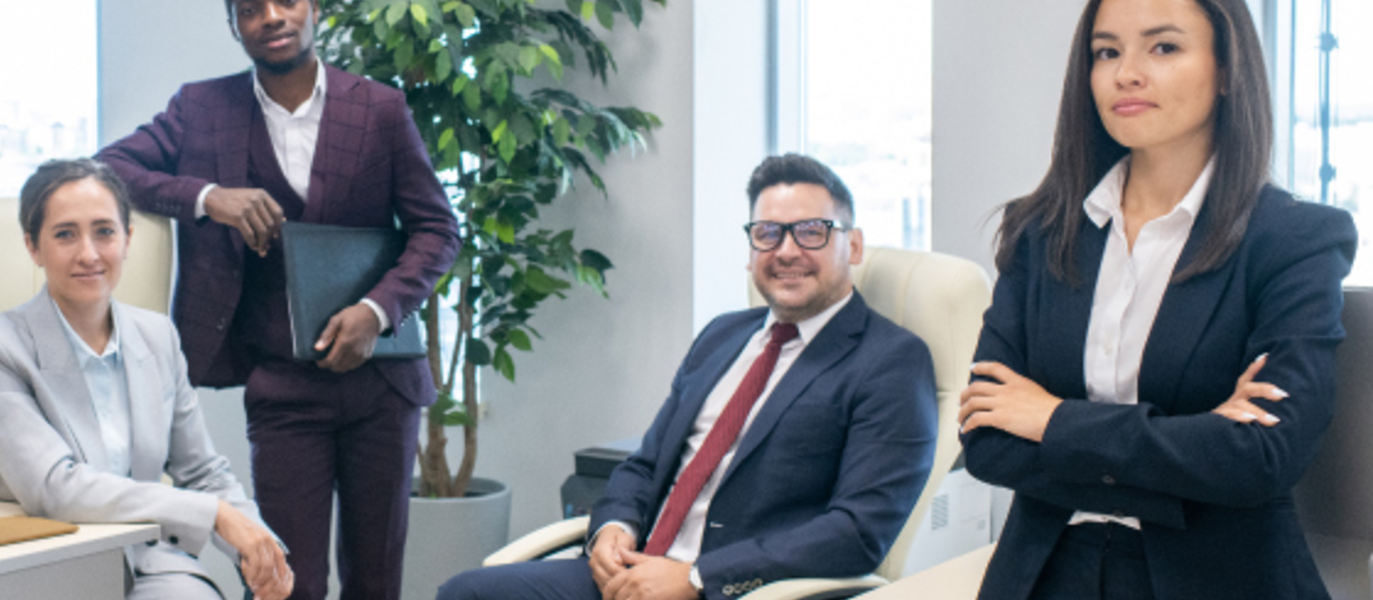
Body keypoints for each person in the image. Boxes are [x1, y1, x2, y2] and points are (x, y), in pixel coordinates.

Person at [957, 0, 1355, 597]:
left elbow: (1265, 456)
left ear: (1227, 70)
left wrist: (1052, 420)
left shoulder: (1293, 239)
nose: (1127, 73)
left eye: (1163, 47)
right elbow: (987, 442)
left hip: (1220, 578)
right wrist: (1195, 445)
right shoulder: (1040, 231)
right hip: (1044, 572)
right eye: (1107, 51)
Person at [438, 154, 937, 600]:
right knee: (466, 593)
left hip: (739, 590)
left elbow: (857, 532)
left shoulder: (890, 361)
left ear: (852, 245)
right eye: (768, 233)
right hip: (634, 575)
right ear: (750, 250)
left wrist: (699, 577)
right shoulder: (723, 336)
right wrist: (612, 527)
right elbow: (645, 464)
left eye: (811, 231)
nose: (786, 251)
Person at [96, 0, 459, 598]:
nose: (271, 16)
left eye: (287, 1)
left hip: (382, 386)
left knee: (376, 582)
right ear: (234, 24)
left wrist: (377, 311)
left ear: (315, 9)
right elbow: (110, 168)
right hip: (282, 387)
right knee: (282, 582)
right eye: (249, 8)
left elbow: (438, 230)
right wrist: (210, 196)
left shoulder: (380, 108)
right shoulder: (201, 107)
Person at [0, 159, 295, 600]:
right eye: (65, 234)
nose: (89, 253)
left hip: (149, 562)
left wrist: (259, 548)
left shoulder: (156, 336)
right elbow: (56, 489)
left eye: (104, 231)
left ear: (127, 239)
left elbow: (202, 471)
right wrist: (213, 514)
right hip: (48, 564)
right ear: (33, 247)